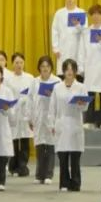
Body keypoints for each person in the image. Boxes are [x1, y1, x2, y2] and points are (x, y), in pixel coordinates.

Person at [49, 59, 87, 192]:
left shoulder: (81, 87)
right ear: (63, 71)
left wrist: (82, 104)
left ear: (75, 72)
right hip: (61, 123)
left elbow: (85, 107)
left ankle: (75, 183)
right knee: (63, 157)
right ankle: (64, 183)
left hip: (75, 122)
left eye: (72, 69)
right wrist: (51, 124)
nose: (69, 72)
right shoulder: (57, 87)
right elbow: (52, 107)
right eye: (67, 69)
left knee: (75, 157)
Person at [31, 55, 62, 185]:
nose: (45, 68)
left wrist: (52, 95)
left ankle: (49, 174)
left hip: (51, 116)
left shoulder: (57, 81)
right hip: (38, 116)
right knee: (39, 145)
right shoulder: (35, 81)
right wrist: (30, 117)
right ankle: (39, 175)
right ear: (39, 68)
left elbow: (60, 99)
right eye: (42, 66)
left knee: (50, 145)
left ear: (51, 68)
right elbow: (30, 99)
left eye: (47, 66)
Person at [7, 52, 37, 176]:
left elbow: (33, 95)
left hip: (25, 111)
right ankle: (13, 166)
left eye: (21, 62)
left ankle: (23, 166)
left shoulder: (30, 78)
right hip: (13, 110)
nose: (19, 65)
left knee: (25, 139)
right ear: (12, 64)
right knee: (13, 140)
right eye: (16, 63)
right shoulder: (8, 79)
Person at [51, 0, 85, 77]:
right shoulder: (59, 13)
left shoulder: (81, 12)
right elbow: (54, 31)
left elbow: (85, 32)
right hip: (63, 47)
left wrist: (78, 25)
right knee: (63, 72)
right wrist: (55, 48)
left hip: (77, 47)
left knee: (76, 71)